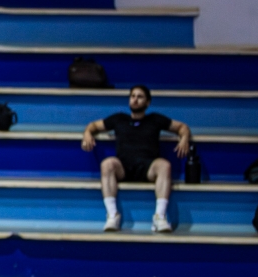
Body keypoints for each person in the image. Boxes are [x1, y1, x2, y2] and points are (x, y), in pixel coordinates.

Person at [81, 84, 192, 233]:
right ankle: (112, 215)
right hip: (123, 167)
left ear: (148, 102)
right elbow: (93, 125)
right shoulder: (119, 118)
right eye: (132, 96)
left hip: (148, 167)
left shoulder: (155, 119)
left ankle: (159, 217)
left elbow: (182, 127)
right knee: (107, 164)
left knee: (164, 165)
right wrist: (87, 133)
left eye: (140, 97)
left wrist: (184, 139)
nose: (135, 100)